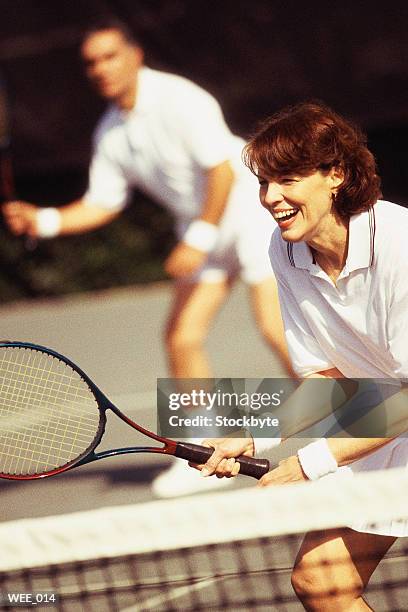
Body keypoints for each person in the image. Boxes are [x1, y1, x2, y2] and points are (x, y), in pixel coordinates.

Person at [3, 19, 294, 498]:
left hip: (250, 212)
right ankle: (203, 450)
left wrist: (198, 238)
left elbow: (220, 172)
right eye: (91, 62)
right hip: (203, 228)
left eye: (109, 56)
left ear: (135, 55)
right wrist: (44, 220)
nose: (101, 68)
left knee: (276, 329)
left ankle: (361, 429)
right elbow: (103, 202)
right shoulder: (113, 132)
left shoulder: (180, 99)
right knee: (182, 335)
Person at [191, 101, 408, 610]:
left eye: (287, 179)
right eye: (265, 183)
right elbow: (329, 375)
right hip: (389, 422)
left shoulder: (401, 246)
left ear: (335, 174)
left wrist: (305, 465)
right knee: (321, 583)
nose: (272, 198)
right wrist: (253, 431)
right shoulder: (285, 249)